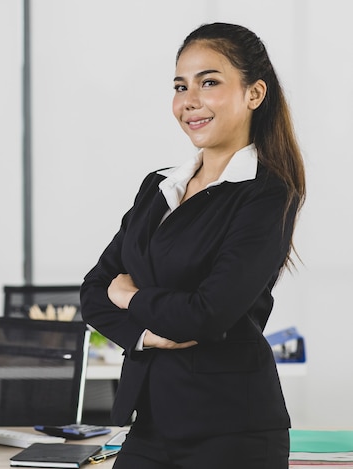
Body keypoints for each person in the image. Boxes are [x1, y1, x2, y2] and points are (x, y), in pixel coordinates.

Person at [80, 22, 305, 469]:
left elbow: (207, 314)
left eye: (209, 82)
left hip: (231, 434)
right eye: (181, 86)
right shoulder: (158, 187)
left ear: (254, 94)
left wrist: (131, 296)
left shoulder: (266, 194)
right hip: (148, 427)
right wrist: (148, 336)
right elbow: (92, 293)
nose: (190, 101)